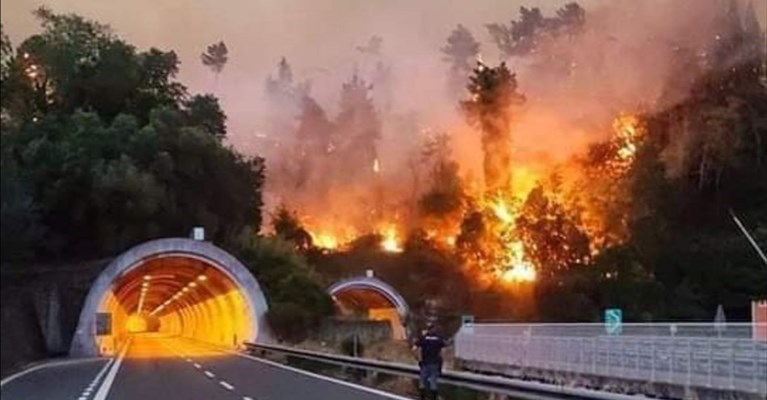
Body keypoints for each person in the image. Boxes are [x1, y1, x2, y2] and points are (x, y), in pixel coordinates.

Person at [412, 322, 446, 400]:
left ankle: (422, 398)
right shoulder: (439, 339)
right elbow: (443, 352)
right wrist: (441, 363)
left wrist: (418, 359)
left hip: (424, 363)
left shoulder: (423, 338)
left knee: (422, 382)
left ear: (427, 329)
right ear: (434, 329)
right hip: (435, 363)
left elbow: (414, 349)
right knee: (433, 382)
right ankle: (433, 398)